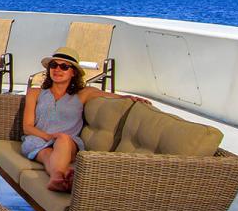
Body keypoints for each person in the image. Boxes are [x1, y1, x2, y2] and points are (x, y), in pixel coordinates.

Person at [22, 46, 148, 192]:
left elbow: (115, 96)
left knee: (63, 139)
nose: (57, 69)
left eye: (64, 67)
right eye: (53, 65)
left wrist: (130, 98)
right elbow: (27, 127)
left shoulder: (84, 94)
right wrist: (49, 136)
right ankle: (57, 177)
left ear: (73, 72)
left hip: (68, 142)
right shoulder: (35, 92)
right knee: (46, 154)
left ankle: (58, 178)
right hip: (38, 139)